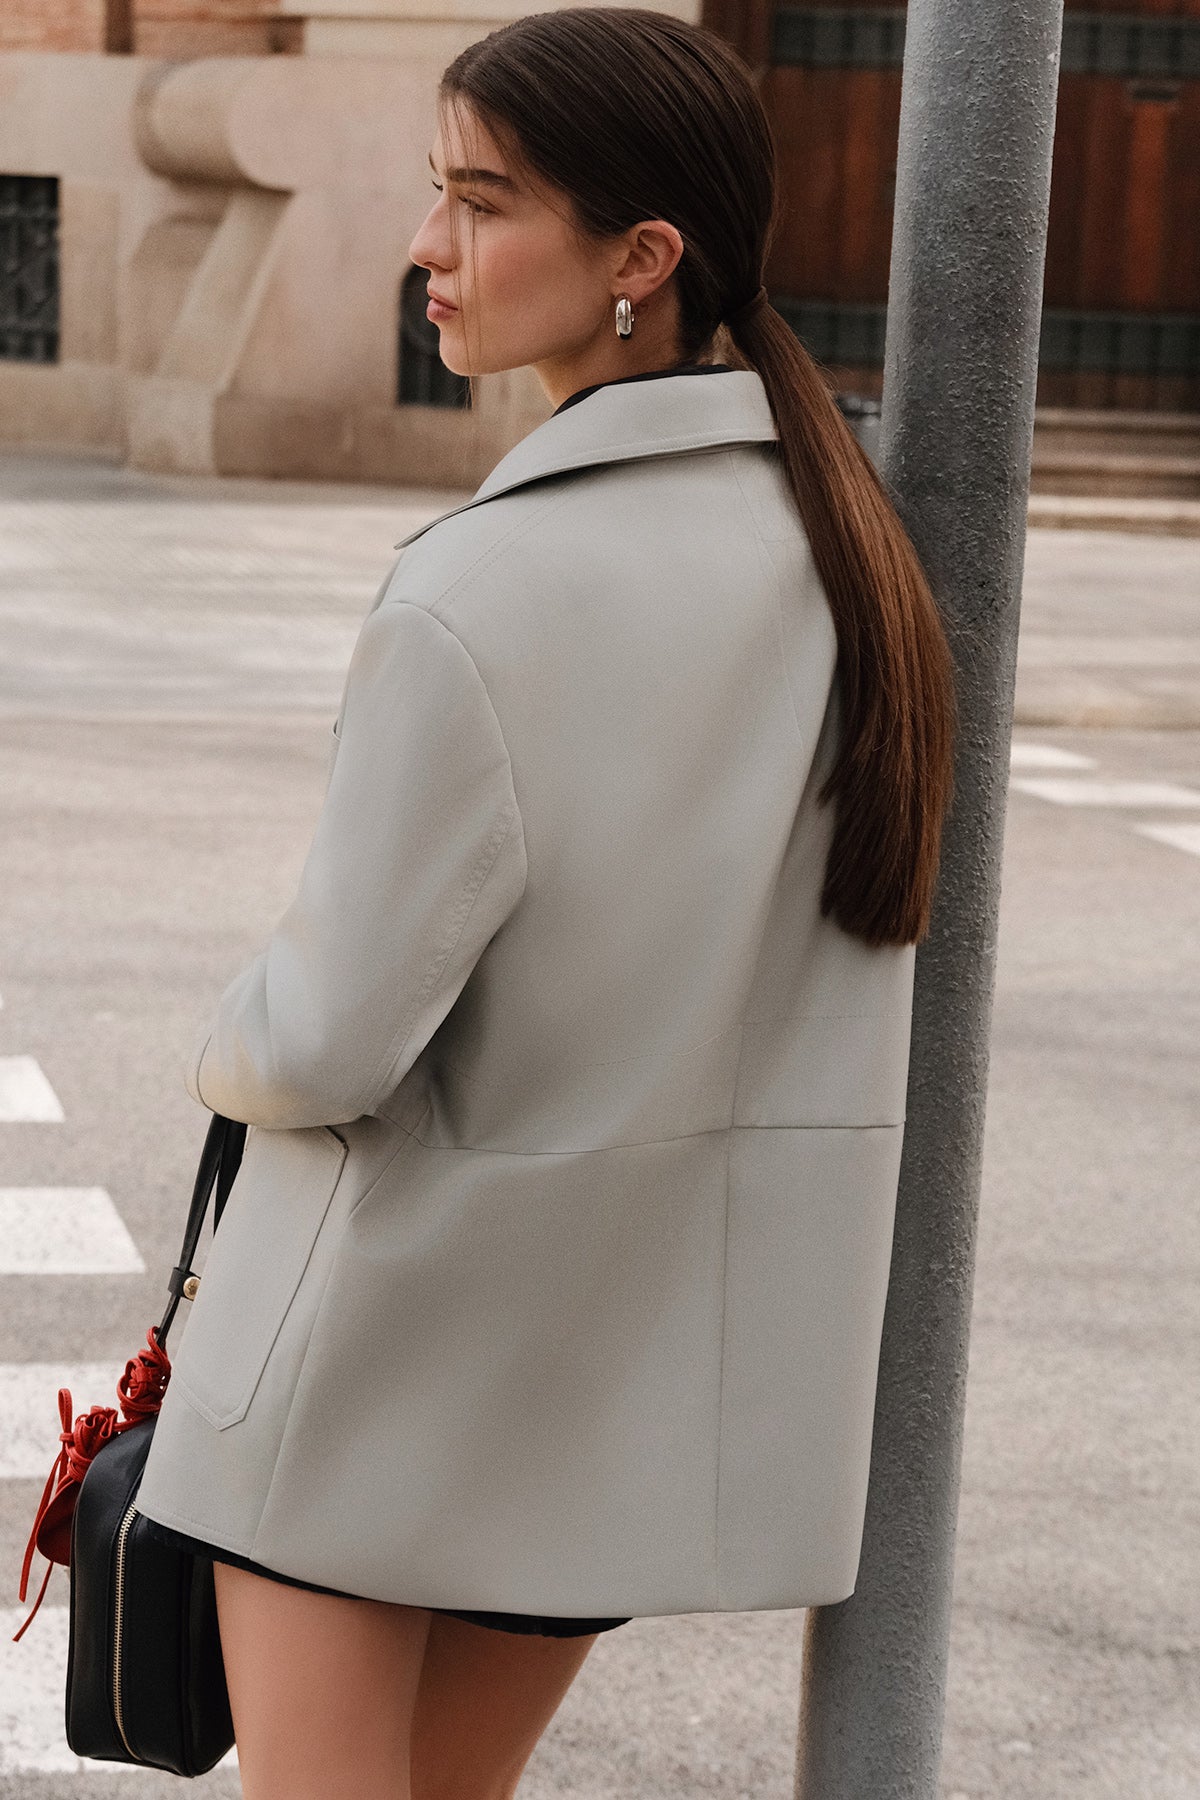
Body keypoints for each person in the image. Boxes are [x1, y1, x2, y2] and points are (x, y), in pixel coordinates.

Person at [132, 8, 957, 1796]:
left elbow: (327, 1038)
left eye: (483, 203)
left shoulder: (483, 589)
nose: (427, 244)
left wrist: (222, 1036)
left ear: (639, 260)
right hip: (607, 1395)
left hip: (374, 1375)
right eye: (438, 191)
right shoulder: (855, 568)